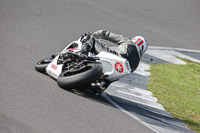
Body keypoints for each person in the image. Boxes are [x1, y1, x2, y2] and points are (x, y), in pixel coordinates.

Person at [80, 29, 148, 72]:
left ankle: (82, 54)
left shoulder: (129, 42)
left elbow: (106, 34)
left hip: (112, 57)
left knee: (91, 39)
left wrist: (93, 34)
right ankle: (102, 84)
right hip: (115, 71)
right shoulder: (136, 65)